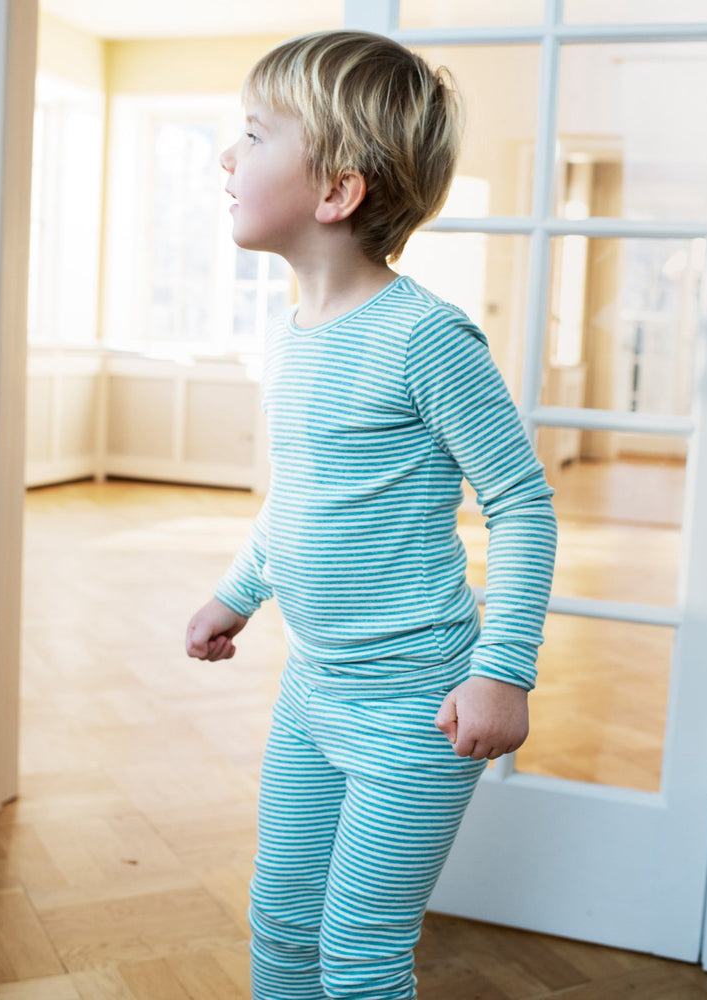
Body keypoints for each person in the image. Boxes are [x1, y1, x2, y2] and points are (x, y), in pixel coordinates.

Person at [185, 29, 557, 1000]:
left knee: (358, 955)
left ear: (336, 192)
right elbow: (300, 498)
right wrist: (237, 593)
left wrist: (503, 671)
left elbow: (521, 504)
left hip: (416, 707)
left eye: (254, 135)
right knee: (280, 924)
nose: (228, 155)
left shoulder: (425, 338)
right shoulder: (292, 334)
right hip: (311, 692)